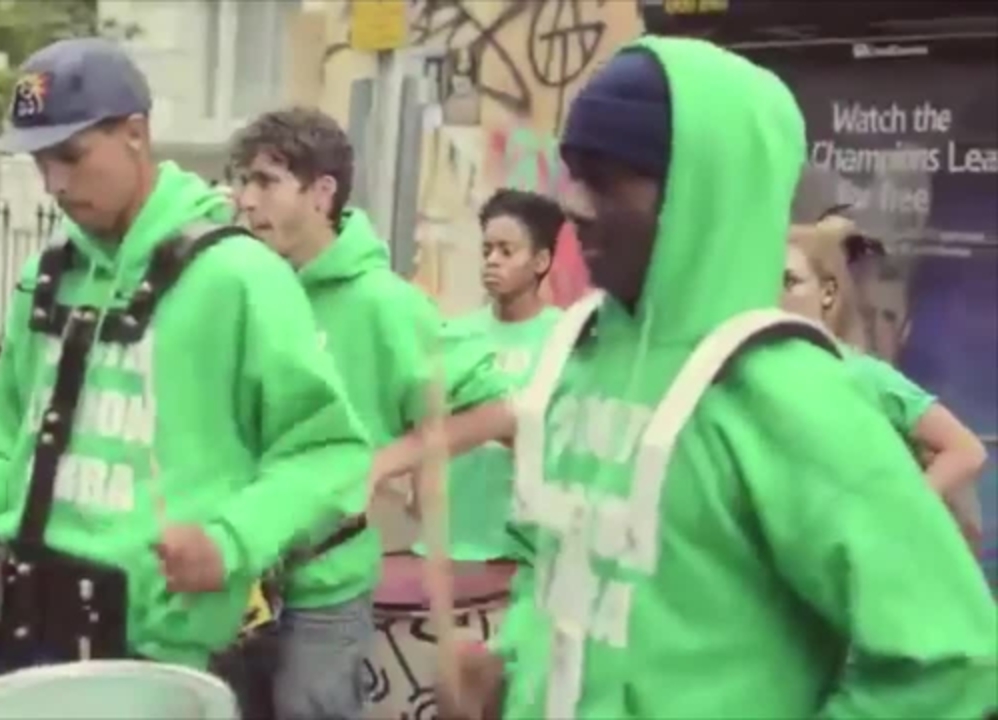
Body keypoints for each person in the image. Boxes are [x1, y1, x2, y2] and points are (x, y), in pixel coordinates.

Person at [442, 37, 997, 719]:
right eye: (574, 173)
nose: (575, 205)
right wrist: (510, 668)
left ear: (701, 197)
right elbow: (563, 572)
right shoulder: (577, 357)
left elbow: (951, 658)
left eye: (609, 179)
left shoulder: (789, 394)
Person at [0, 38, 372, 683]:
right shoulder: (46, 276)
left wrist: (230, 540)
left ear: (135, 134)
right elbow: (8, 456)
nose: (54, 183)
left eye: (71, 156)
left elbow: (328, 452)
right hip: (15, 636)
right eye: (40, 161)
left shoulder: (240, 277)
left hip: (156, 662)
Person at [230, 106, 509, 720]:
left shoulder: (384, 304)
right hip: (232, 584)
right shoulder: (241, 288)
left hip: (325, 588)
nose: (246, 200)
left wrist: (386, 461)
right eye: (242, 181)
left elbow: (500, 409)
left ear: (322, 193)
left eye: (266, 182)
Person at [783, 214, 988, 547]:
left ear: (828, 293)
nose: (776, 295)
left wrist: (897, 514)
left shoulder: (863, 374)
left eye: (790, 282)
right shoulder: (767, 378)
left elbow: (967, 450)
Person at [407, 188, 561, 563]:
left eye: (507, 251)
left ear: (541, 261)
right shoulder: (454, 335)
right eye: (487, 250)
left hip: (518, 552)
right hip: (445, 546)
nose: (492, 260)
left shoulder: (564, 339)